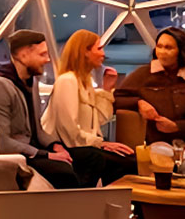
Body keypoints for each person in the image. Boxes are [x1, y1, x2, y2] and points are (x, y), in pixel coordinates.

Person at [0, 30, 101, 219]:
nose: (47, 59)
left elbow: (38, 129)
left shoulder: (31, 82)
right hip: (10, 156)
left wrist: (56, 145)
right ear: (24, 55)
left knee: (84, 157)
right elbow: (3, 143)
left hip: (31, 148)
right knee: (62, 170)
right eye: (43, 54)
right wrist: (47, 155)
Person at [42, 29, 137, 187]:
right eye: (99, 48)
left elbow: (99, 120)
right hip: (66, 146)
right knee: (122, 163)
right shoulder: (68, 81)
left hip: (83, 145)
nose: (103, 54)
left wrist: (107, 89)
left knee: (129, 159)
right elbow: (68, 130)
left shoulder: (85, 83)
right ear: (84, 51)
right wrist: (101, 143)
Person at [114, 27, 185, 175]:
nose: (162, 52)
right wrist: (139, 103)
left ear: (181, 51)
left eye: (168, 48)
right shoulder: (143, 75)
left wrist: (177, 126)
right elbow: (116, 99)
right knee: (160, 159)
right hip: (156, 141)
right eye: (159, 46)